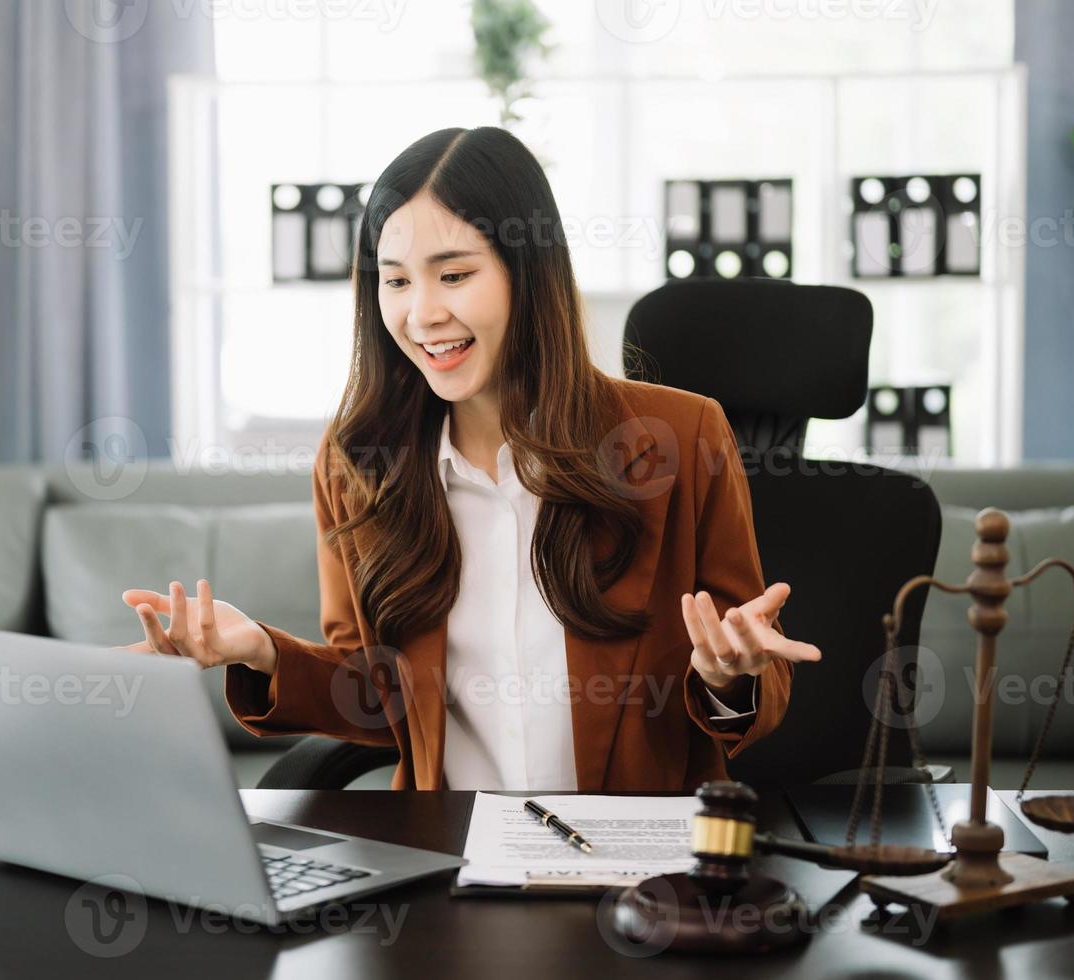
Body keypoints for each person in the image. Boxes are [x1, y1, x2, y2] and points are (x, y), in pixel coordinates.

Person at [122, 126, 821, 791]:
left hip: (632, 868)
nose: (421, 313)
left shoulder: (682, 436)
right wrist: (262, 653)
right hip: (449, 857)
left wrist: (730, 675)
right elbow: (378, 694)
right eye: (395, 282)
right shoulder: (358, 462)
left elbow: (755, 671)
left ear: (530, 272)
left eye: (453, 275)